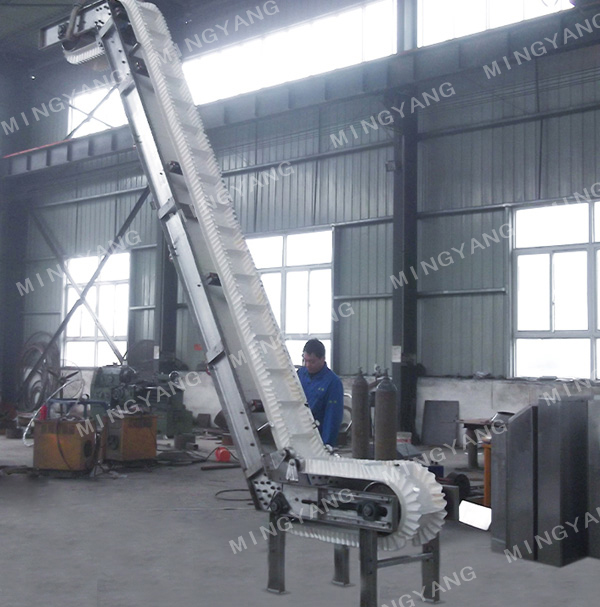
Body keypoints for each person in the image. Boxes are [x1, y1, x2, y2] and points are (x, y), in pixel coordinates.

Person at [298, 339, 344, 447]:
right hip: (299, 433)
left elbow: (332, 417)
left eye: (312, 362)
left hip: (318, 436)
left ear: (322, 359)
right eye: (305, 360)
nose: (308, 365)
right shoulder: (300, 375)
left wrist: (326, 444)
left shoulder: (333, 382)